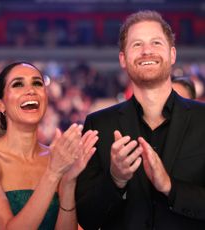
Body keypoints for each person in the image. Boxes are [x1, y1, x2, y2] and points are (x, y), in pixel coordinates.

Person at [76, 10, 205, 230]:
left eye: (156, 42)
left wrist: (169, 187)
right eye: (137, 44)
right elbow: (87, 217)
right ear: (123, 59)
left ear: (172, 54)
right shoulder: (98, 125)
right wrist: (115, 180)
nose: (147, 51)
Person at [0, 61, 98, 229]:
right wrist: (53, 173)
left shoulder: (58, 159)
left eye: (37, 83)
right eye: (18, 84)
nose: (31, 90)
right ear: (0, 104)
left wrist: (68, 183)